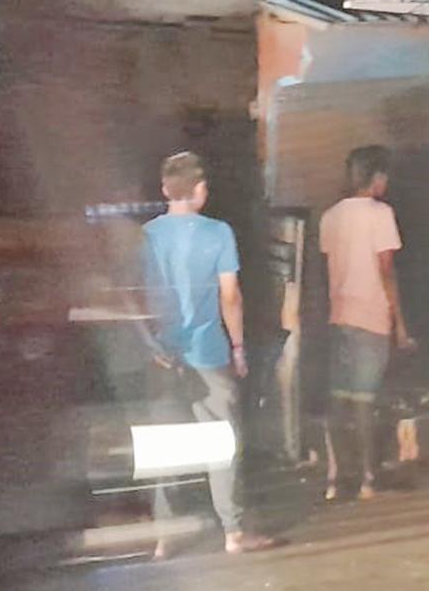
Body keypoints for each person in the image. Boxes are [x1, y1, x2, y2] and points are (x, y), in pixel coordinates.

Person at [140, 151, 276, 556]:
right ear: (200, 190)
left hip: (164, 357)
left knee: (164, 447)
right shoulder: (218, 232)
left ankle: (165, 536)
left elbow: (142, 298)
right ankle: (232, 532)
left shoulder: (146, 236)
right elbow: (229, 296)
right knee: (222, 444)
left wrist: (151, 344)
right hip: (209, 352)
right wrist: (238, 347)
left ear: (165, 189)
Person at [318, 144, 414, 502]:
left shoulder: (330, 217)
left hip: (339, 315)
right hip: (372, 316)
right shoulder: (381, 214)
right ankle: (368, 478)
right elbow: (386, 271)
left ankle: (334, 477)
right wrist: (400, 323)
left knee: (338, 399)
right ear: (375, 178)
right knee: (364, 401)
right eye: (384, 175)